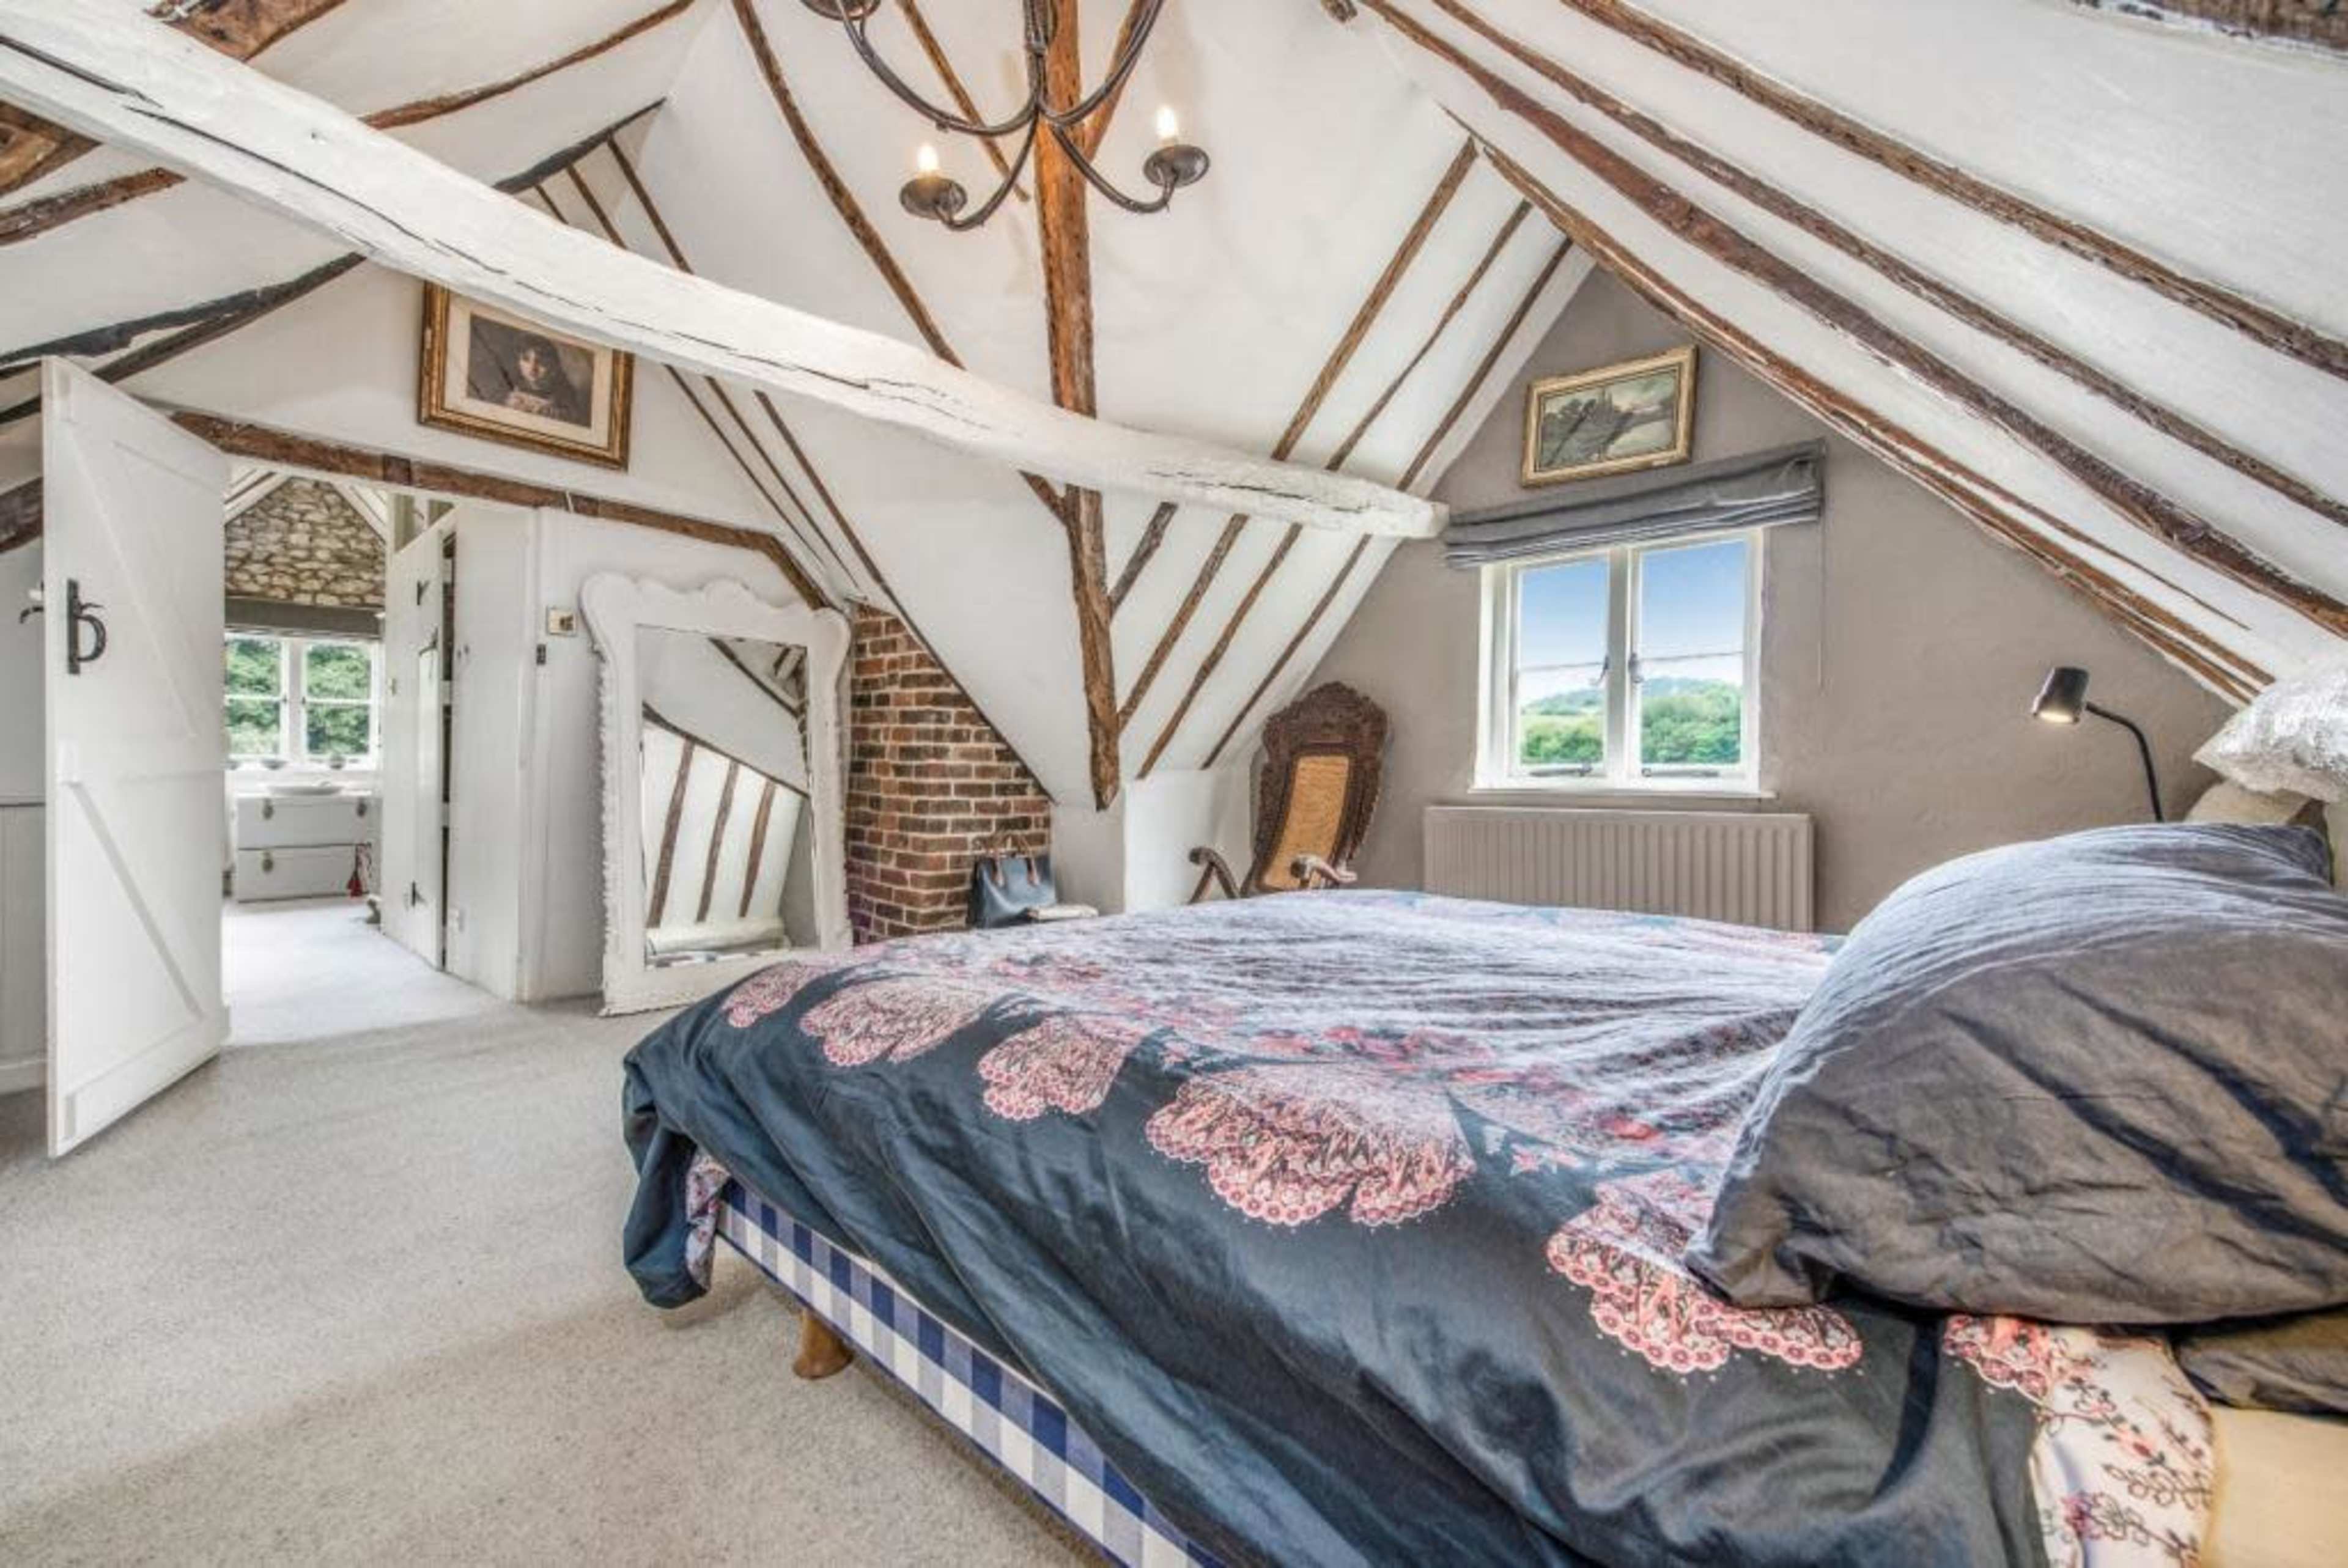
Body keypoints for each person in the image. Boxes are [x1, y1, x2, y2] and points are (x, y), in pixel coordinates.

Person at [471, 322, 591, 426]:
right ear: (519, 362)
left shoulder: (565, 395)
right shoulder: (513, 391)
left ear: (553, 365)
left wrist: (539, 408)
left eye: (541, 362)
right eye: (526, 359)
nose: (532, 368)